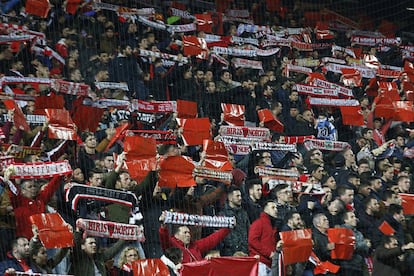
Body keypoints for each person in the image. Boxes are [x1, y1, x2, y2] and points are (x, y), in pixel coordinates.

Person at [158, 212, 231, 263]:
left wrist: (228, 227)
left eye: (189, 232)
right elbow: (165, 239)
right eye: (185, 232)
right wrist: (163, 227)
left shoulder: (195, 246)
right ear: (176, 236)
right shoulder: (173, 246)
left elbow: (212, 239)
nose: (188, 235)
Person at [248, 200, 279, 275]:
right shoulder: (259, 223)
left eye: (276, 208)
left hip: (270, 264)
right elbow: (252, 241)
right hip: (260, 263)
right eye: (273, 207)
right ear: (265, 209)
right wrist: (269, 253)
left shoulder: (273, 226)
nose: (276, 210)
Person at [219, 186, 250, 256]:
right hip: (229, 254)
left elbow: (248, 231)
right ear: (230, 198)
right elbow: (220, 236)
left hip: (244, 253)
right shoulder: (223, 214)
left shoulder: (244, 213)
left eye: (240, 196)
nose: (240, 198)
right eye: (237, 196)